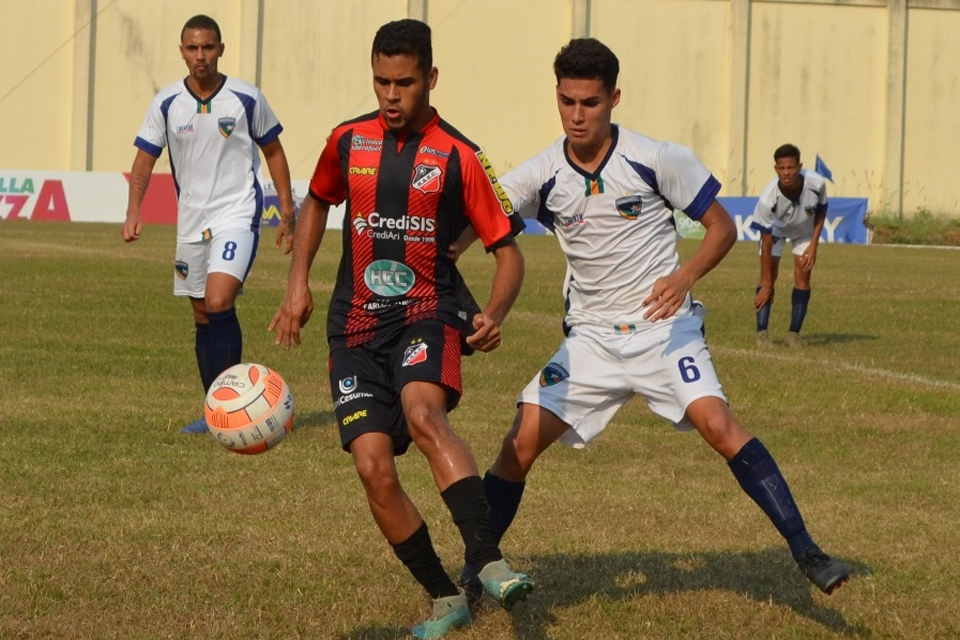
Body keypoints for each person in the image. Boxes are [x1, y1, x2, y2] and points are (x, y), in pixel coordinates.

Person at [455, 38, 849, 600]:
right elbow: (484, 221)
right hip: (590, 341)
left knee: (719, 425)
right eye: (567, 101)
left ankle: (807, 551)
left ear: (614, 98)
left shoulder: (657, 158)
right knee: (517, 445)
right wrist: (444, 254)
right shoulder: (540, 173)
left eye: (589, 102)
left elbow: (721, 227)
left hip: (664, 331)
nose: (576, 114)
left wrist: (684, 278)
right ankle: (475, 571)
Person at [269, 19, 533, 639]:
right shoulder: (346, 140)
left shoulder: (460, 155)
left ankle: (487, 557)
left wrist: (493, 312)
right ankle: (445, 597)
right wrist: (297, 283)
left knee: (423, 411)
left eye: (405, 83)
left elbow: (508, 251)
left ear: (431, 79)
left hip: (426, 310)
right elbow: (316, 202)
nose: (392, 95)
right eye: (382, 81)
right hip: (354, 325)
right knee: (372, 467)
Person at [122, 14, 297, 434]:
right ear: (181, 51)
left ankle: (237, 405)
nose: (200, 55)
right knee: (201, 314)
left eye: (208, 47)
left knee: (219, 302)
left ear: (220, 49)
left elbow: (274, 151)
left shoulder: (246, 97)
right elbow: (144, 162)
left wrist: (287, 210)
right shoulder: (167, 103)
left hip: (236, 213)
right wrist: (134, 209)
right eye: (192, 48)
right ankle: (214, 411)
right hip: (192, 221)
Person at [750, 144, 828, 348]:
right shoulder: (768, 198)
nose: (787, 173)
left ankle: (793, 334)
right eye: (782, 168)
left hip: (803, 231)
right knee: (768, 277)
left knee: (803, 275)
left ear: (800, 166)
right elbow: (766, 244)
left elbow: (821, 210)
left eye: (791, 168)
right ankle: (762, 334)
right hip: (775, 231)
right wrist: (767, 284)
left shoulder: (817, 183)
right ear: (776, 169)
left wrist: (814, 245)